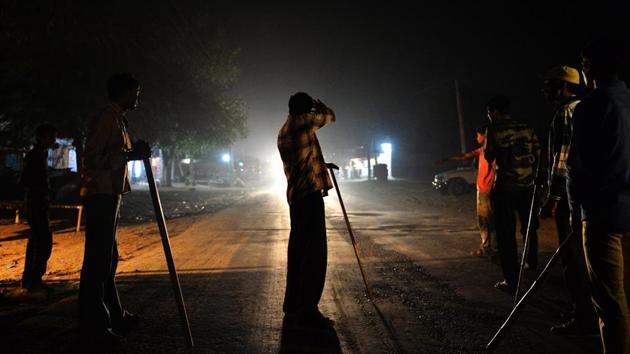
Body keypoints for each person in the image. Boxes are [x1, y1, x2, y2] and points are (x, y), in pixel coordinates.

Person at [78, 73, 150, 345]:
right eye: (136, 92)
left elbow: (119, 154)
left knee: (108, 258)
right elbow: (92, 159)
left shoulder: (118, 119)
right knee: (97, 261)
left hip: (111, 194)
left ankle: (113, 315)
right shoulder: (105, 119)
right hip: (100, 195)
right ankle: (93, 325)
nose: (138, 97)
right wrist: (129, 155)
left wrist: (133, 153)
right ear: (123, 92)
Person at [568, 37, 630, 354]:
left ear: (589, 67)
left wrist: (575, 209)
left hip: (603, 216)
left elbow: (579, 168)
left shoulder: (590, 107)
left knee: (610, 301)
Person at [539, 65, 598, 336]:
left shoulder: (565, 112)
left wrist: (552, 198)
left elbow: (561, 159)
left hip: (569, 195)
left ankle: (583, 316)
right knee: (586, 256)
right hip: (589, 192)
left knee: (571, 256)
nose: (547, 92)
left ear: (565, 86)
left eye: (552, 86)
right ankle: (585, 308)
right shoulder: (588, 107)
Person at [277, 92, 336, 328]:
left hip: (296, 198)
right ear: (305, 109)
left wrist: (321, 164)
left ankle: (293, 305)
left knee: (299, 253)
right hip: (309, 198)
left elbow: (302, 159)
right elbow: (330, 116)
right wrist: (320, 106)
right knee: (314, 255)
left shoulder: (285, 129)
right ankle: (309, 309)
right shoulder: (304, 123)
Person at [483, 95, 541, 293]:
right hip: (528, 186)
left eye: (489, 112)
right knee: (529, 228)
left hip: (506, 188)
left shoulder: (493, 129)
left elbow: (489, 156)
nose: (489, 115)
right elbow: (538, 153)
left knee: (506, 234)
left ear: (494, 111)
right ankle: (531, 264)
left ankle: (512, 280)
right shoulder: (526, 126)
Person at [437, 126, 497, 257]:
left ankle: (487, 249)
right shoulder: (491, 151)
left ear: (484, 136)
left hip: (484, 191)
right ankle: (492, 248)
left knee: (484, 221)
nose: (476, 138)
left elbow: (464, 155)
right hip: (492, 190)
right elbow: (464, 156)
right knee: (492, 220)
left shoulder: (485, 151)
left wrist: (447, 159)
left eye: (478, 135)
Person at [20, 123, 57, 292]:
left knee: (37, 240)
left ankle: (30, 279)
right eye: (50, 136)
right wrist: (44, 189)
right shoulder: (34, 156)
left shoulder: (40, 155)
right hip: (35, 203)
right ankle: (33, 280)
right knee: (43, 241)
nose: (53, 140)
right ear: (41, 137)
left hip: (39, 202)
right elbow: (25, 182)